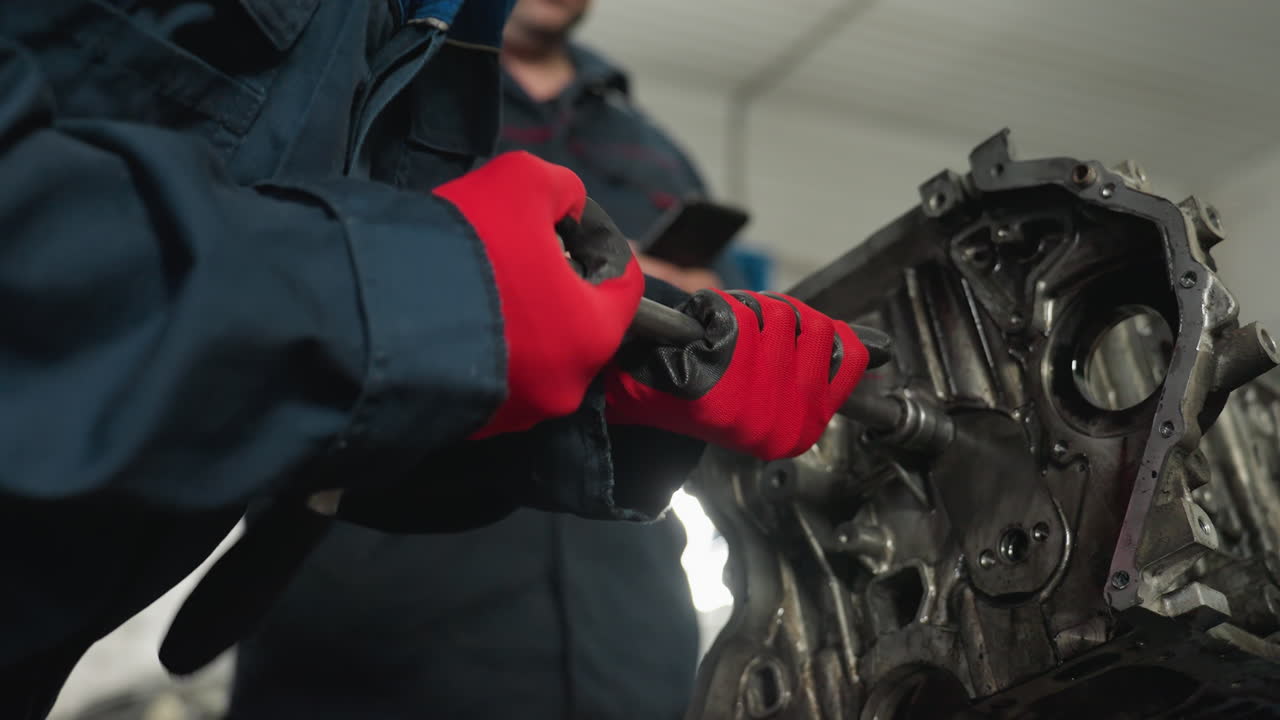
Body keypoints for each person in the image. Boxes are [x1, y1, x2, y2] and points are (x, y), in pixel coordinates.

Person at [0, 2, 868, 719]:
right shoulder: (420, 65)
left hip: (624, 629)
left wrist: (620, 380)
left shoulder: (449, 63)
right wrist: (444, 289)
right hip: (377, 626)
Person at [227, 2, 743, 718]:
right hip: (378, 595)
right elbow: (283, 276)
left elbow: (714, 345)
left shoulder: (654, 150)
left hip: (630, 622)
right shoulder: (380, 74)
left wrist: (695, 307)